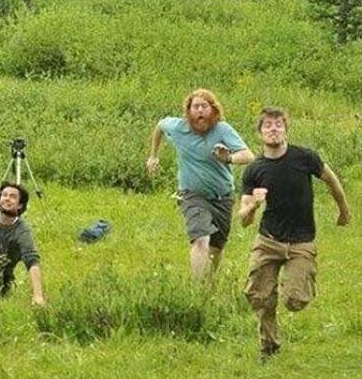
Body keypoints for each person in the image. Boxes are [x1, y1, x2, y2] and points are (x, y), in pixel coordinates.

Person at [238, 107, 351, 361]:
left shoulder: (305, 157)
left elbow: (331, 180)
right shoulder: (254, 169)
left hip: (301, 242)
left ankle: (302, 280)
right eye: (268, 125)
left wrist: (343, 210)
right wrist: (253, 206)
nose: (273, 129)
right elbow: (243, 219)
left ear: (286, 130)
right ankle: (269, 346)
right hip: (268, 241)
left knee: (294, 300)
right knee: (260, 297)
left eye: (278, 124)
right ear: (260, 133)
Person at [147, 88, 254, 279]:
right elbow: (160, 126)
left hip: (222, 197)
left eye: (204, 106)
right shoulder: (178, 127)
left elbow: (248, 155)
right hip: (192, 194)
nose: (200, 111)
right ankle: (198, 290)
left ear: (213, 110)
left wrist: (228, 158)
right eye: (195, 107)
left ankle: (208, 285)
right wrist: (153, 156)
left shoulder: (222, 129)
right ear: (188, 111)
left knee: (216, 248)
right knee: (200, 240)